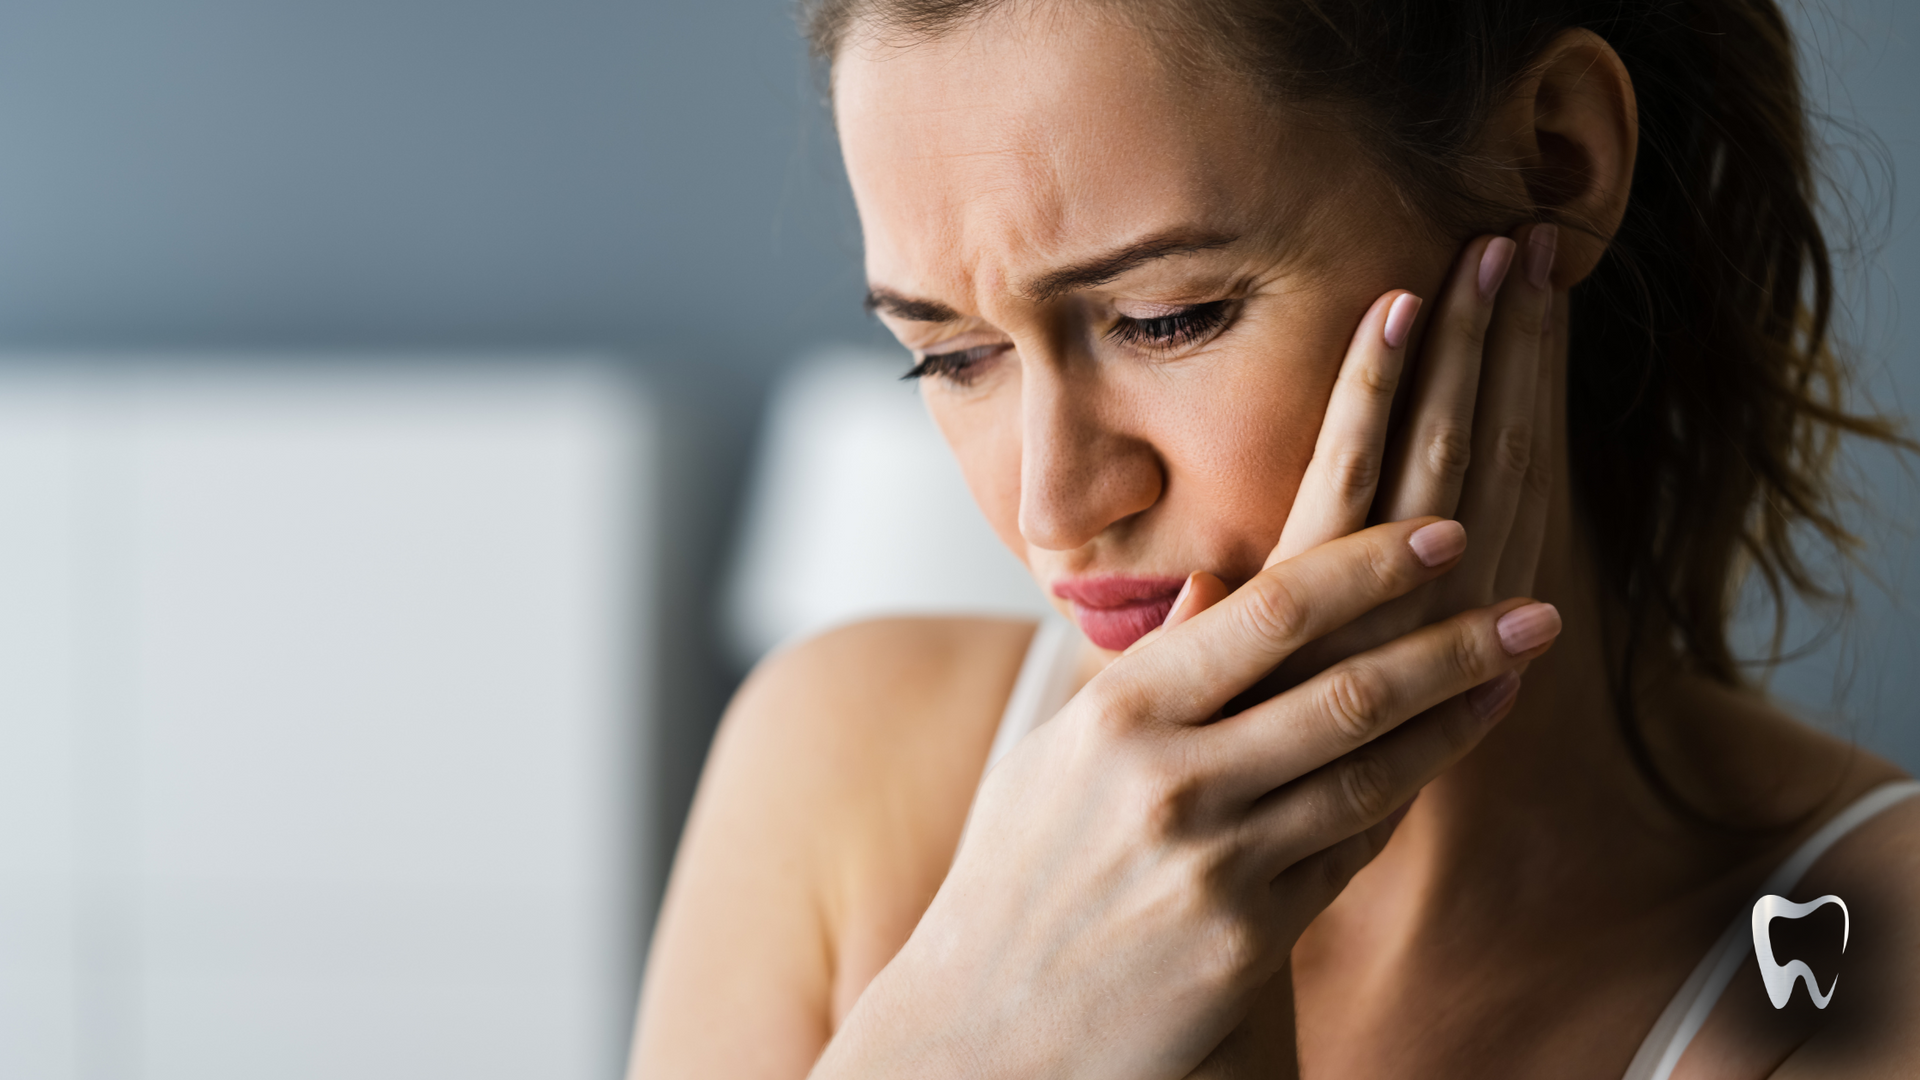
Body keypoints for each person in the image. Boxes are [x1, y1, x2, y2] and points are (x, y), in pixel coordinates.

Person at [630, 1, 1920, 1076]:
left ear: (1555, 164)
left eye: (1168, 318)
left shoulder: (1860, 960)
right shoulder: (840, 773)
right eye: (953, 358)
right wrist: (957, 1032)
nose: (1054, 505)